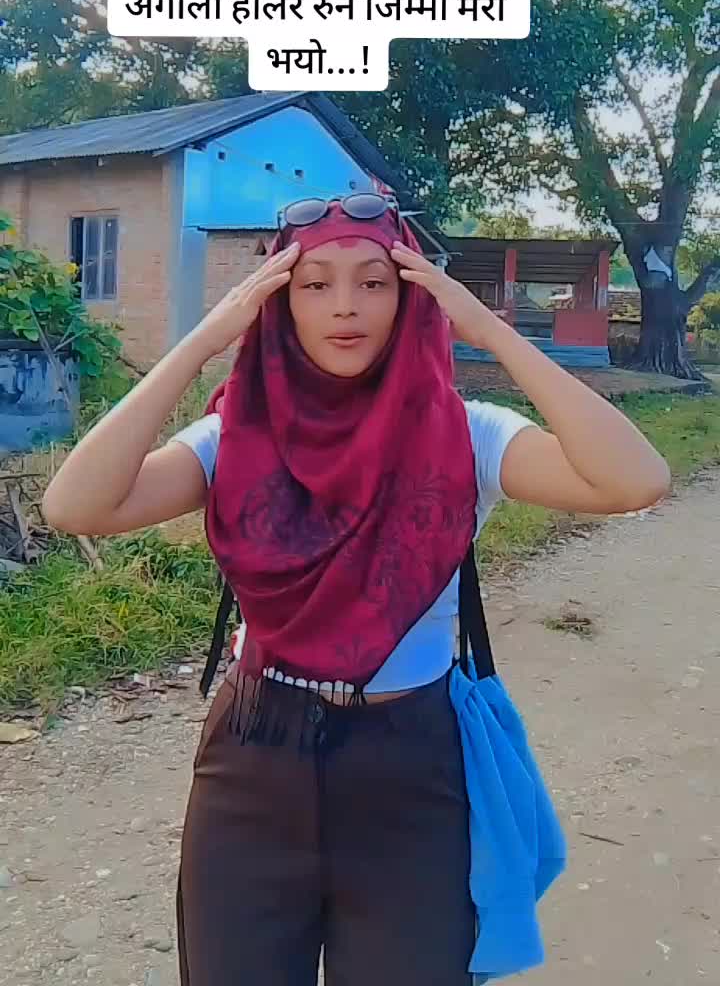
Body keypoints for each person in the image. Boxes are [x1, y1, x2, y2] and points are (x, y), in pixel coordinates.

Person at [43, 194, 670, 986]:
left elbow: (634, 480)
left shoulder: (466, 433)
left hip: (410, 768)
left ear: (411, 297)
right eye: (314, 285)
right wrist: (206, 339)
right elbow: (76, 506)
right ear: (279, 303)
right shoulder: (237, 436)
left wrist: (491, 332)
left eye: (374, 282)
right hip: (253, 760)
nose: (346, 306)